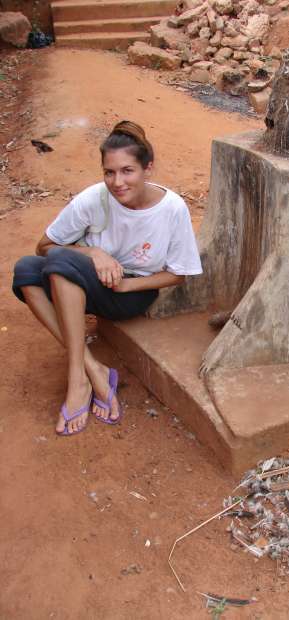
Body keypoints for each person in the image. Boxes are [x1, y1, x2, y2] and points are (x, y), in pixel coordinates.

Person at [12, 121, 203, 436]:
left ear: (148, 168)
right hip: (87, 281)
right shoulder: (94, 199)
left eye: (128, 171)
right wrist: (93, 253)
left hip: (131, 292)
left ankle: (78, 380)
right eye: (109, 172)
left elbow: (178, 274)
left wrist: (127, 284)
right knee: (26, 270)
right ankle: (90, 369)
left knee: (61, 262)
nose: (117, 182)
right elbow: (43, 246)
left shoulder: (172, 209)